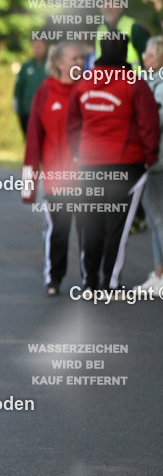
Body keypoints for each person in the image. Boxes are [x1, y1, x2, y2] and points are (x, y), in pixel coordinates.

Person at [65, 35, 160, 293]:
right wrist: (149, 157)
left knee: (91, 224)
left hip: (89, 164)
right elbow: (148, 124)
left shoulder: (84, 83)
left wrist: (77, 153)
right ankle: (110, 281)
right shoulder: (134, 83)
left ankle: (89, 281)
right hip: (126, 165)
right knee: (117, 226)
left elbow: (72, 123)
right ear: (126, 51)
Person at [21, 43, 84, 296]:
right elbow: (33, 141)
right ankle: (54, 279)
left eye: (82, 57)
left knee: (89, 233)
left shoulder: (87, 89)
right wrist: (28, 187)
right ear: (58, 63)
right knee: (59, 231)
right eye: (74, 58)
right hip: (56, 180)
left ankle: (92, 279)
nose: (80, 62)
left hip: (87, 178)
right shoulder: (45, 92)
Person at [134, 36, 163, 291]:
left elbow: (153, 121)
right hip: (152, 159)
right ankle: (158, 274)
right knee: (155, 221)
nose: (145, 59)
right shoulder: (148, 81)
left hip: (157, 160)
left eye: (151, 55)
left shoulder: (160, 85)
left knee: (158, 218)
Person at [97, 0, 151, 70]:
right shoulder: (100, 30)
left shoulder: (134, 28)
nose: (107, 8)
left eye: (111, 4)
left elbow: (147, 59)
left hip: (133, 79)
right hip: (106, 80)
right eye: (103, 5)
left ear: (120, 7)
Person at [14, 37, 49, 135]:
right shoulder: (26, 66)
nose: (37, 50)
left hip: (47, 110)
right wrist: (20, 109)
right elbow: (18, 89)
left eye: (40, 47)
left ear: (46, 47)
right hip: (28, 111)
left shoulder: (51, 65)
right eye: (35, 47)